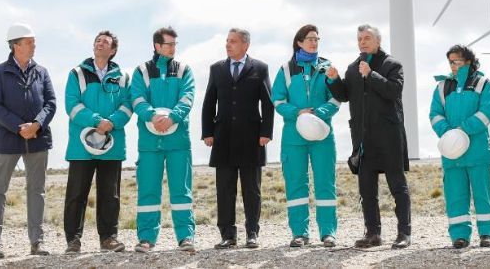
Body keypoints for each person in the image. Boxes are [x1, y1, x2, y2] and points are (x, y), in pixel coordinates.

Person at [327, 24, 411, 249]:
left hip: (389, 136)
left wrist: (371, 75)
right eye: (359, 39)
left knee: (397, 186)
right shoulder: (353, 68)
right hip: (363, 138)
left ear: (377, 41)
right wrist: (334, 80)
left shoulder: (392, 64)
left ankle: (404, 233)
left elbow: (393, 91)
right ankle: (372, 233)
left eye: (366, 38)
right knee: (367, 190)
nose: (362, 42)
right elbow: (345, 95)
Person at [0, 22, 57, 259]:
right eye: (29, 42)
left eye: (33, 41)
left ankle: (37, 241)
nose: (34, 45)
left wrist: (36, 125)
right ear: (16, 46)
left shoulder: (42, 72)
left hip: (38, 139)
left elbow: (50, 103)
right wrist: (19, 127)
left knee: (37, 191)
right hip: (7, 139)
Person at [202, 28, 274, 250]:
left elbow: (268, 103)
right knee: (225, 190)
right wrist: (207, 132)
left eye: (232, 41)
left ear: (245, 45)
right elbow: (208, 102)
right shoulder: (217, 69)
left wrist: (266, 133)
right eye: (227, 41)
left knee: (251, 189)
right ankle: (228, 235)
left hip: (252, 139)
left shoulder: (260, 68)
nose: (228, 44)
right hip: (222, 138)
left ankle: (252, 233)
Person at [271, 24, 341, 247]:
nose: (314, 42)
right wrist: (298, 113)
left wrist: (319, 114)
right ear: (299, 42)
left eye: (317, 39)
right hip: (293, 137)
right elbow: (278, 100)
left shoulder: (327, 67)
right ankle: (299, 233)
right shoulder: (285, 70)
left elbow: (336, 98)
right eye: (310, 39)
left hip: (322, 135)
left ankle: (328, 232)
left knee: (325, 183)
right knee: (296, 184)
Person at [63, 31, 132, 253]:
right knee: (76, 194)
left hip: (112, 145)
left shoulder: (123, 77)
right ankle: (73, 240)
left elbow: (128, 105)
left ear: (112, 51)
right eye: (97, 41)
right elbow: (71, 105)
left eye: (106, 42)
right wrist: (96, 121)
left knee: (109, 194)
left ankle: (109, 238)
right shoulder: (77, 74)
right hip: (81, 147)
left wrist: (111, 122)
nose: (100, 44)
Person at [131, 26, 197, 253]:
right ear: (157, 46)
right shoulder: (141, 71)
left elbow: (187, 98)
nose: (173, 49)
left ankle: (186, 237)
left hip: (178, 141)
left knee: (181, 190)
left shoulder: (184, 70)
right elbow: (137, 98)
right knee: (148, 191)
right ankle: (146, 239)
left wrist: (173, 118)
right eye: (169, 44)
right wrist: (151, 116)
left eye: (175, 44)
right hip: (150, 143)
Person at [429, 45, 490, 249]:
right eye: (451, 61)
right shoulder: (442, 87)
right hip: (452, 152)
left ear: (468, 61)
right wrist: (448, 132)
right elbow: (434, 114)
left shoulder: (483, 84)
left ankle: (487, 234)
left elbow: (487, 112)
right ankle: (459, 235)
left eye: (457, 61)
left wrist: (462, 129)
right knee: (455, 195)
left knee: (482, 194)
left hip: (477, 151)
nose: (453, 65)